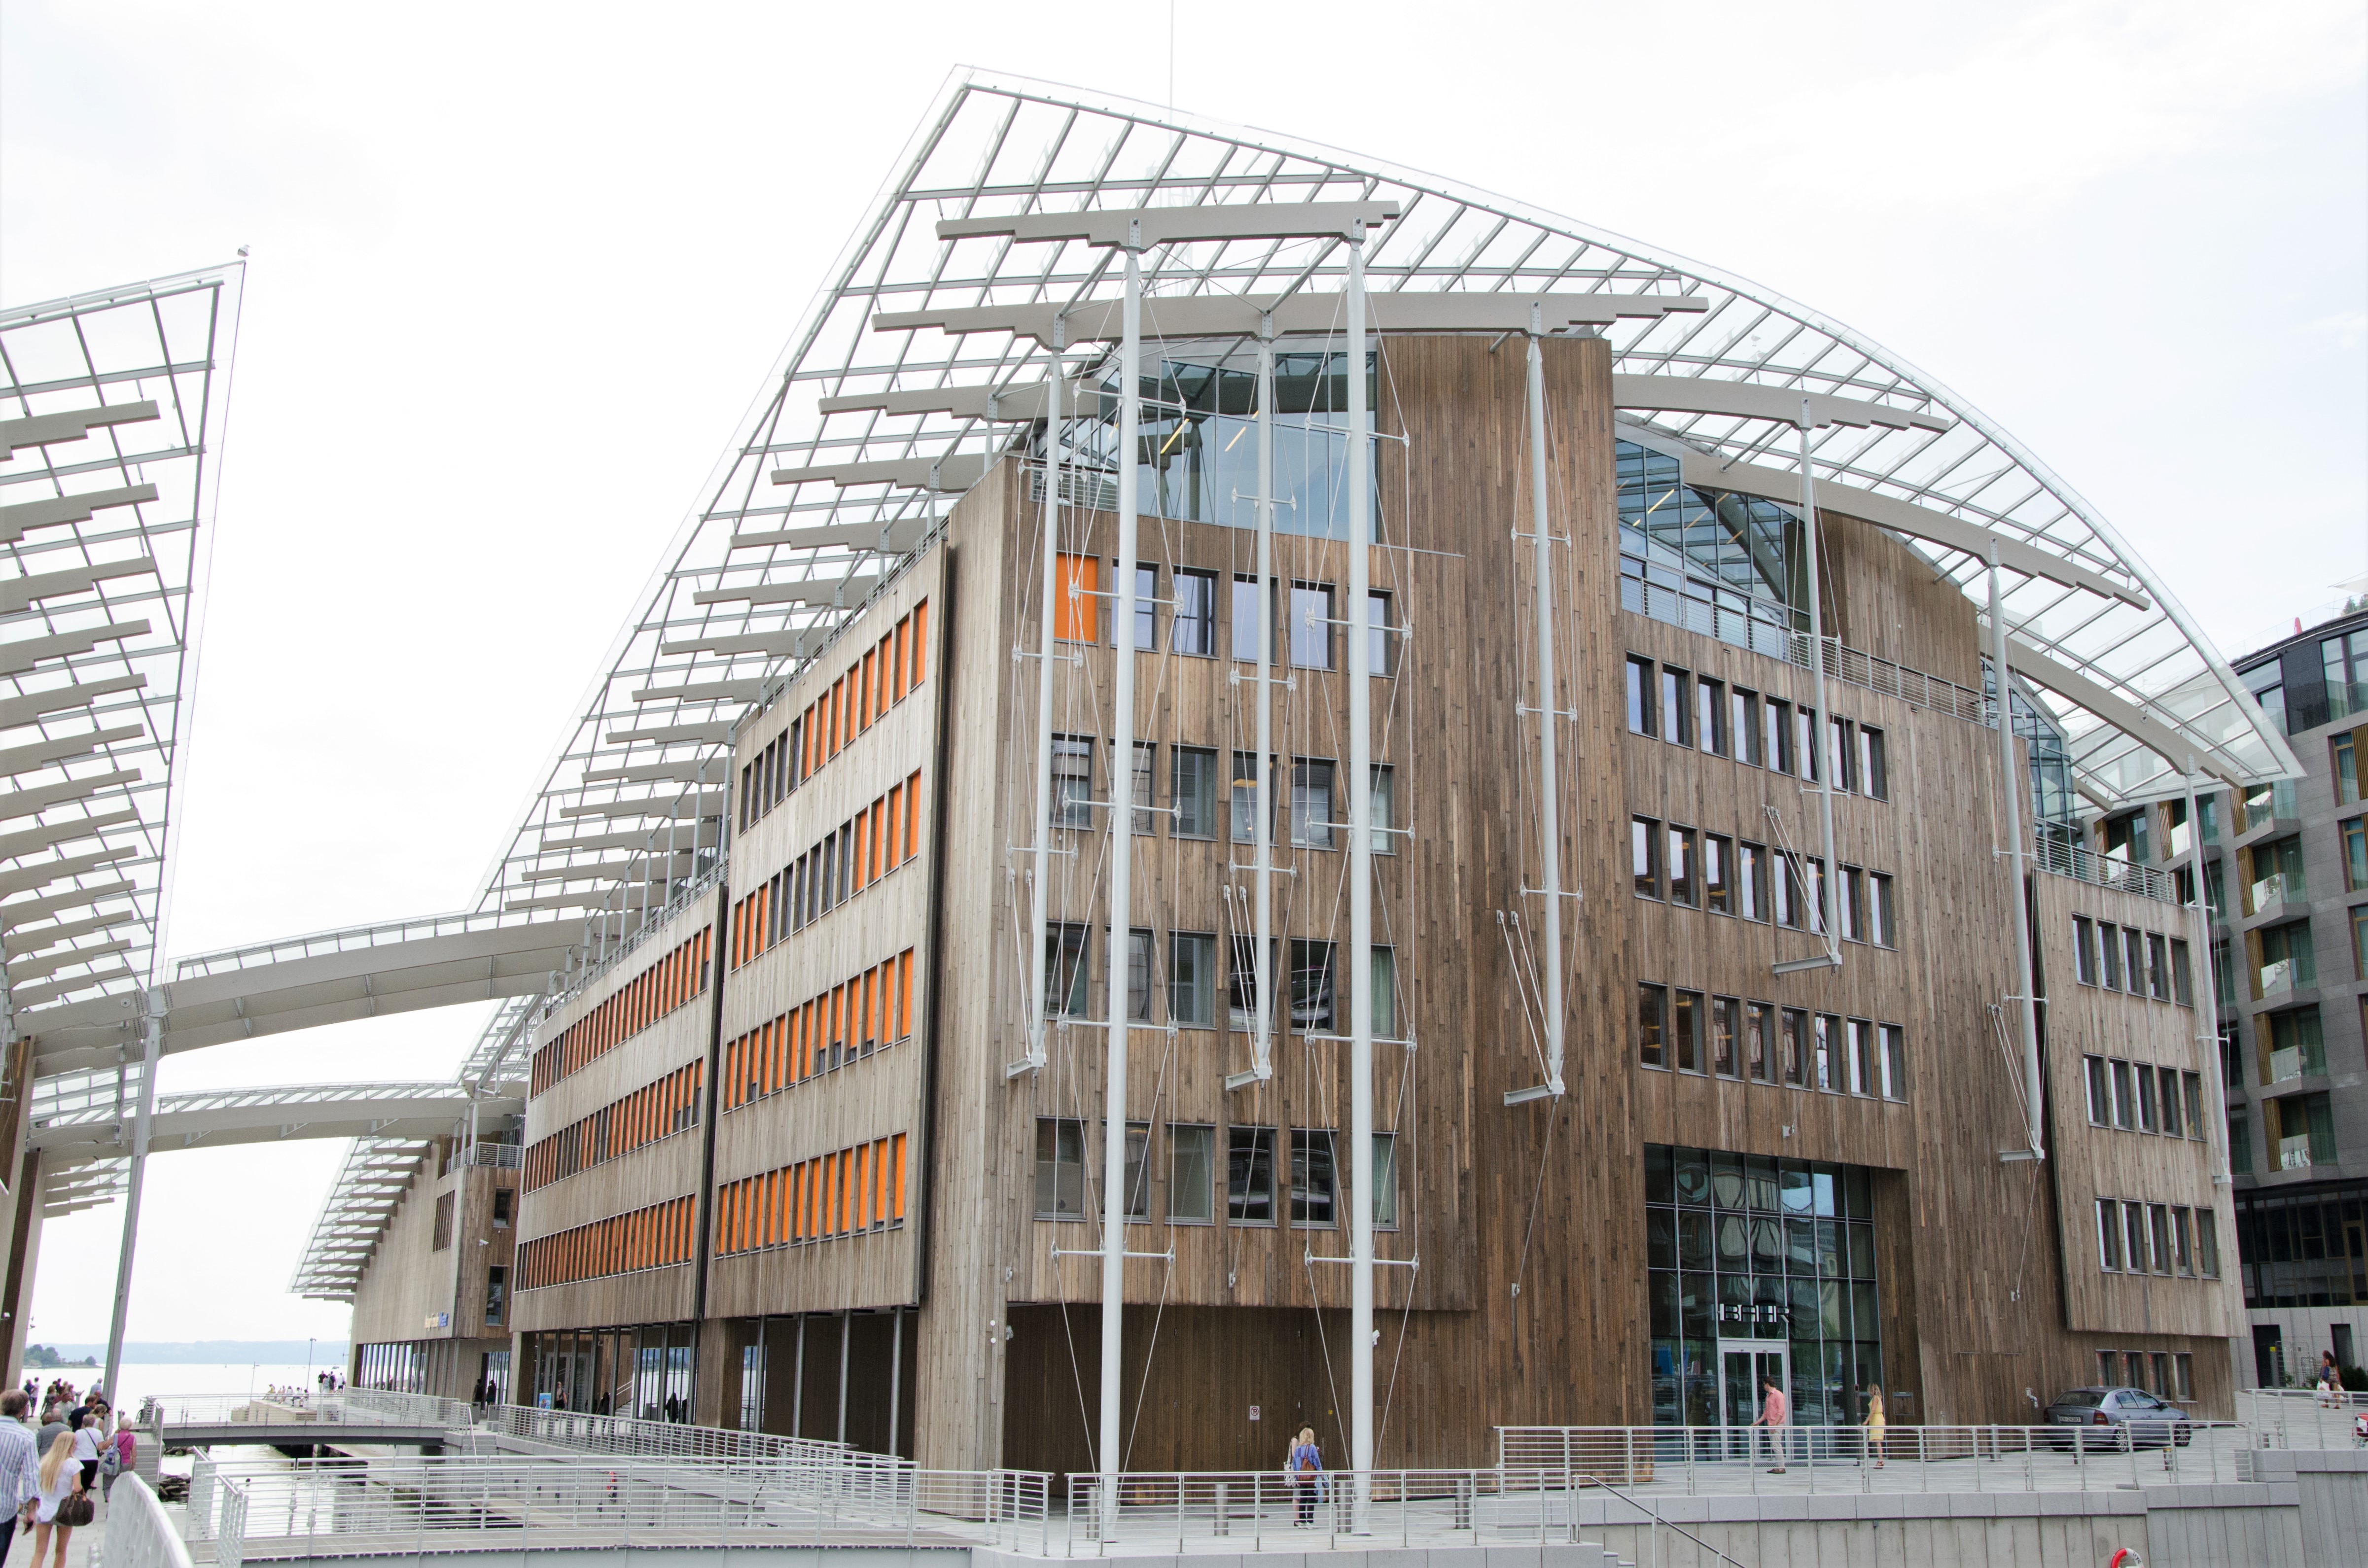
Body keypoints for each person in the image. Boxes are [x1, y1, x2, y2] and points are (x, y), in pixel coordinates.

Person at [28, 1431, 82, 1568]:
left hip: (45, 1510)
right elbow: (77, 1488)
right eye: (75, 1443)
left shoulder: (45, 1462)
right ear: (70, 1445)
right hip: (64, 1511)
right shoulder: (73, 1464)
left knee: (39, 1552)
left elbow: (37, 1487)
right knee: (61, 1551)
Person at [0, 1391, 40, 1565]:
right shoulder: (26, 1437)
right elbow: (32, 1475)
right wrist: (31, 1511)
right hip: (5, 1508)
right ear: (24, 1410)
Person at [1287, 1427, 1322, 1526]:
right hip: (1311, 1478)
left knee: (1302, 1499)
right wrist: (1321, 1474)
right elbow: (1317, 1462)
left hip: (1301, 1478)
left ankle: (1302, 1521)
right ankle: (1310, 1521)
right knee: (1311, 1499)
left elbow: (1295, 1464)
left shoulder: (1298, 1449)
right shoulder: (1312, 1448)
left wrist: (1298, 1477)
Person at [1755, 1377, 1791, 1473]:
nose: (1763, 1387)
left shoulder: (1778, 1395)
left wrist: (1774, 1425)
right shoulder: (1768, 1397)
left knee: (1776, 1444)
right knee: (1775, 1445)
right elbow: (1766, 1413)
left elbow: (1781, 1412)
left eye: (1764, 1384)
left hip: (1777, 1424)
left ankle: (1781, 1467)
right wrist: (1757, 1423)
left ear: (1767, 1384)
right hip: (1771, 1424)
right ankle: (1779, 1466)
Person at [102, 1415, 134, 1501]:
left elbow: (105, 1446)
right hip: (126, 1462)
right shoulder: (132, 1438)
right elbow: (134, 1455)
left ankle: (109, 1499)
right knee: (123, 1482)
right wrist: (132, 1467)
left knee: (108, 1483)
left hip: (114, 1462)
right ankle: (120, 1500)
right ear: (130, 1426)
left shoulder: (116, 1436)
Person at [68, 1413, 102, 1494]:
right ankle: (83, 1499)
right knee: (87, 1484)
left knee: (78, 1483)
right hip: (92, 1460)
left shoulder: (78, 1433)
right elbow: (100, 1447)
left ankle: (77, 1500)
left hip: (79, 1460)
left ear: (83, 1422)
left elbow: (73, 1445)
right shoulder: (99, 1433)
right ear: (93, 1423)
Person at [1861, 1383, 1886, 1468]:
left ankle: (1881, 1461)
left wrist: (1866, 1421)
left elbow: (1873, 1411)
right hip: (1877, 1419)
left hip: (1877, 1419)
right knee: (1877, 1441)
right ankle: (1880, 1460)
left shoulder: (1876, 1398)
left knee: (1878, 1441)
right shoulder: (1878, 1398)